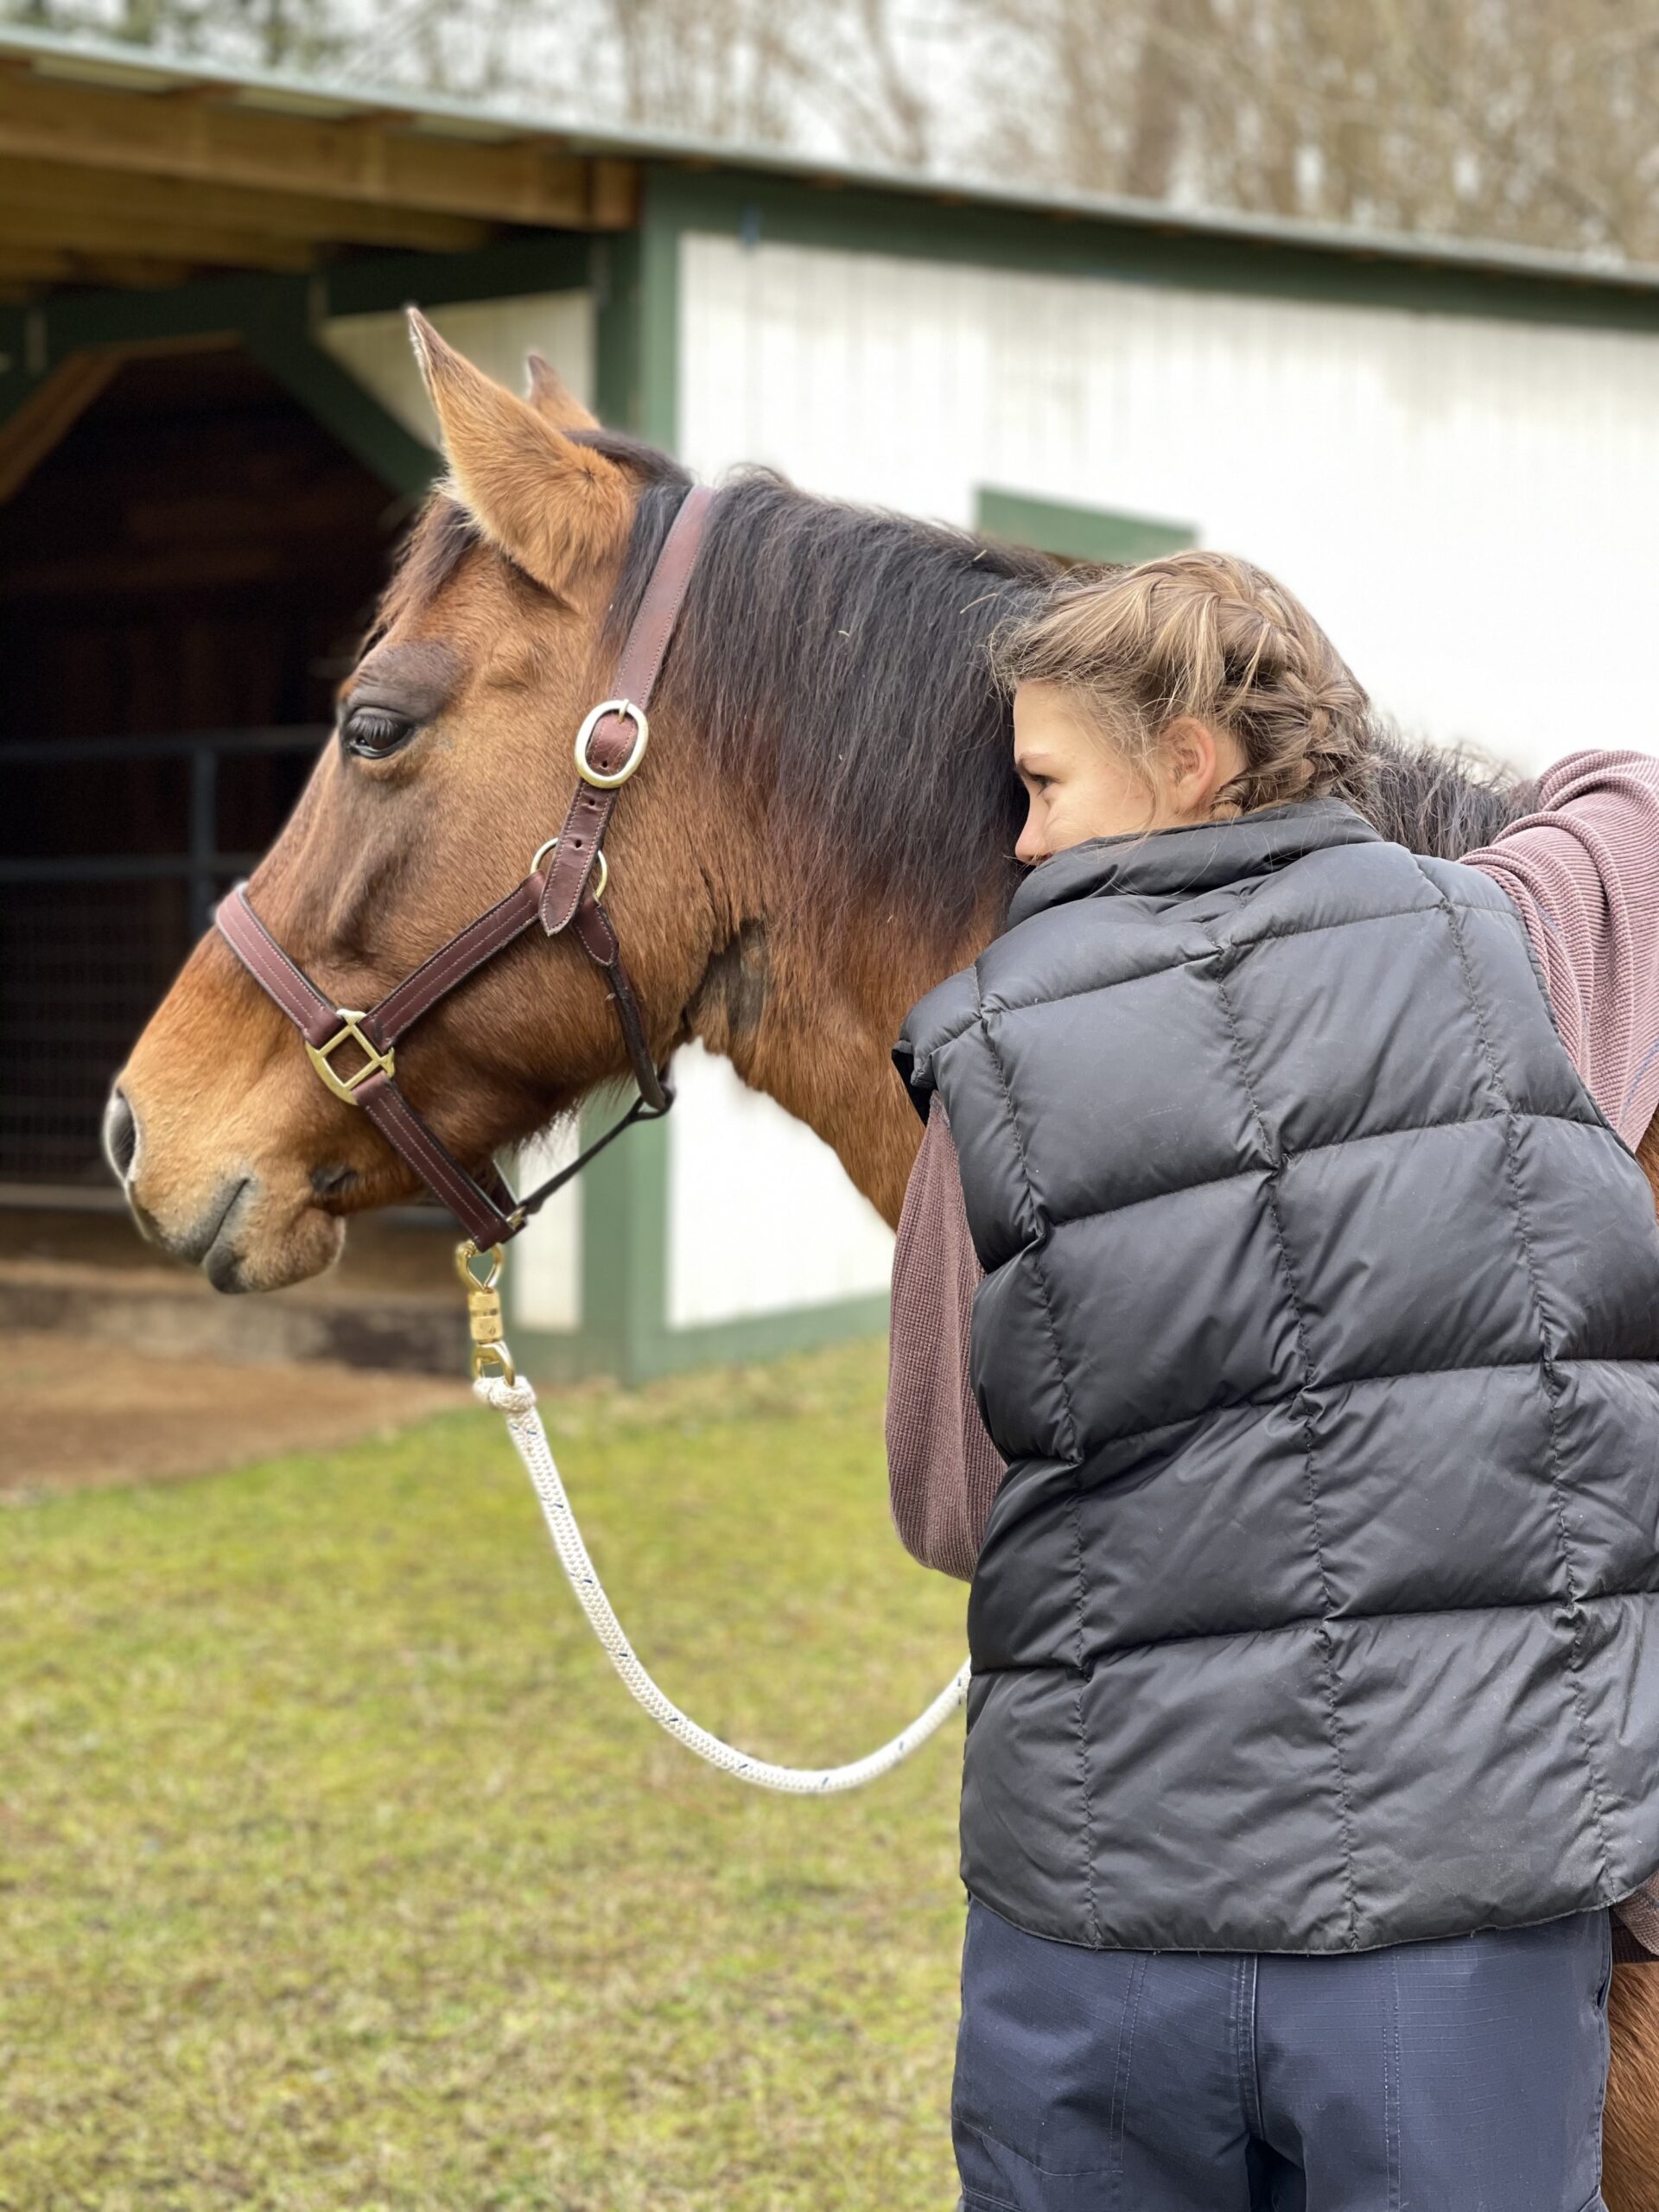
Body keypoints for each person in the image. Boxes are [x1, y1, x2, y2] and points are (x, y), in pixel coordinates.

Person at [886, 550, 1659, 2212]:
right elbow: (1634, 812)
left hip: (1106, 1931)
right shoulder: (1513, 947)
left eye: (1043, 782)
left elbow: (951, 1503)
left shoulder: (982, 1059)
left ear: (1189, 761)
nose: (1021, 840)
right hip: (1469, 1925)